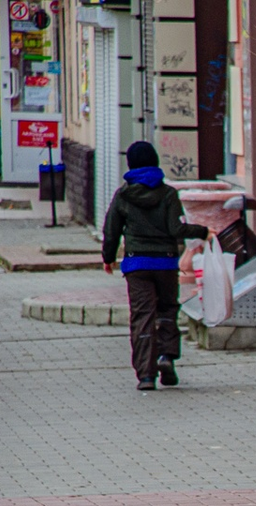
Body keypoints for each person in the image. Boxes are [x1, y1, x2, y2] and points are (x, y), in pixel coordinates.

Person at [102, 141, 212, 390]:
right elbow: (177, 228)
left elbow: (111, 230)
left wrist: (108, 257)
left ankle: (146, 375)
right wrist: (203, 231)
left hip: (137, 264)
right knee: (166, 311)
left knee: (142, 316)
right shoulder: (169, 194)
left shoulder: (123, 195)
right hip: (165, 263)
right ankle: (166, 358)